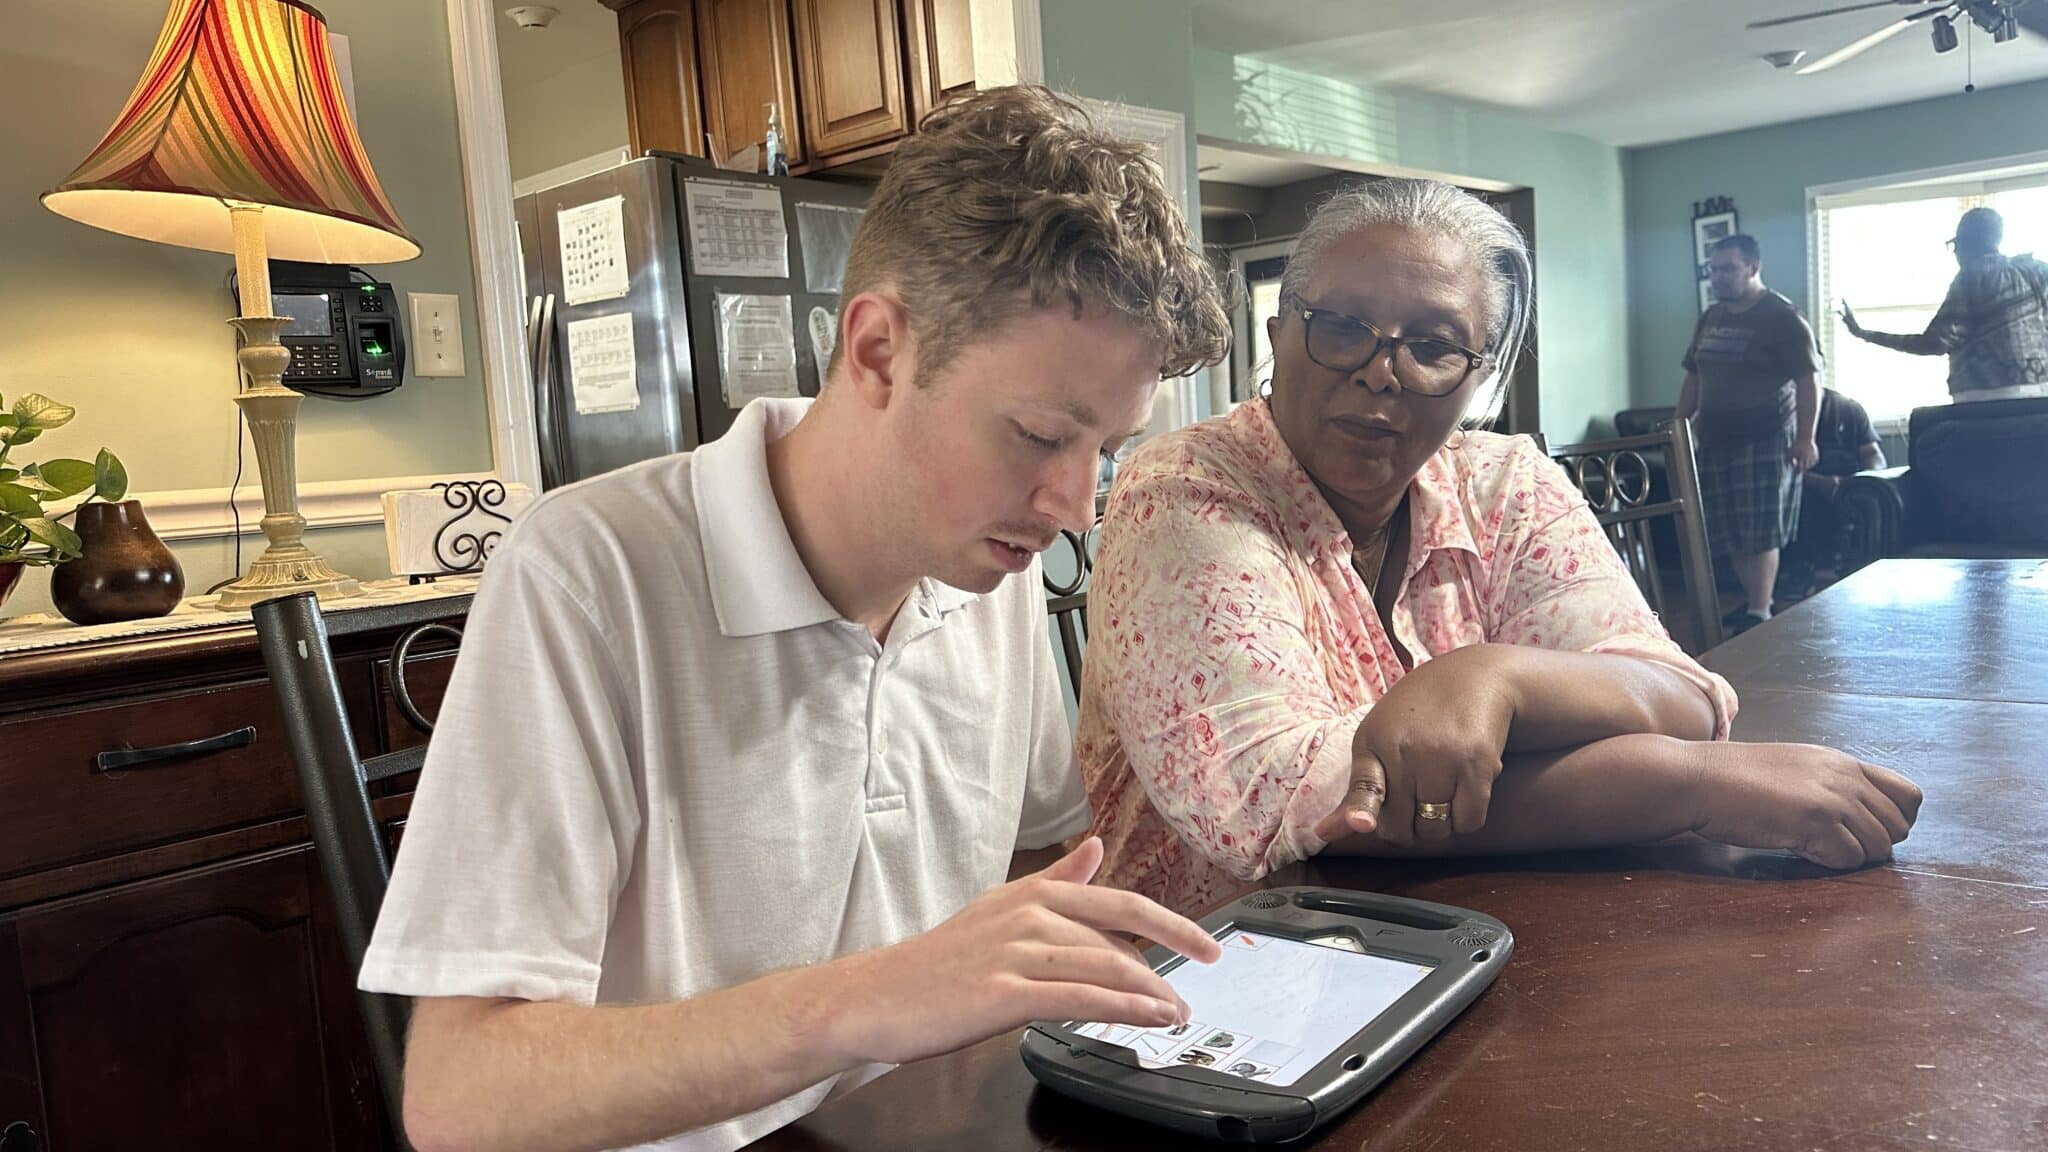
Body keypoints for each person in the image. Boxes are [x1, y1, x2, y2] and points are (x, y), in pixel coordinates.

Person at [362, 87, 1233, 1152]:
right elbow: (460, 1099)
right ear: (876, 351)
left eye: (1108, 446)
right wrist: (864, 1000)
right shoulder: (587, 575)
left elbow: (1030, 873)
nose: (1073, 507)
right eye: (1040, 433)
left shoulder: (980, 571)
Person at [1074, 179, 1920, 916]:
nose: (1380, 372)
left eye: (1435, 346)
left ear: (1478, 377)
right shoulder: (1185, 490)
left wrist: (1494, 678)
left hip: (1485, 936)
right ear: (1276, 336)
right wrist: (1687, 784)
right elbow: (1279, 794)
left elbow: (1681, 693)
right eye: (1339, 326)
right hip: (1200, 997)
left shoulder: (1504, 482)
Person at [1675, 233, 1823, 635]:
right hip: (1715, 438)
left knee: (1760, 530)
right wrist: (1678, 424)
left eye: (1728, 269)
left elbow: (1810, 380)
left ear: (1753, 268)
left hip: (1766, 437)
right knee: (1730, 529)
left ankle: (1759, 610)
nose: (1718, 278)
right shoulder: (1711, 317)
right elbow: (1695, 376)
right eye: (1714, 270)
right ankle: (1758, 604)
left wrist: (1805, 437)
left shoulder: (1782, 317)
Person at [1841, 207, 2048, 404]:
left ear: (1966, 244)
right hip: (2040, 394)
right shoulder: (2037, 272)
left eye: (1955, 245)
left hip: (1984, 399)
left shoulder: (1973, 276)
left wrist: (1864, 334)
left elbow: (1935, 343)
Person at [1779, 387, 1886, 598]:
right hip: (1802, 484)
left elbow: (1874, 455)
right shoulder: (1782, 411)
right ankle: (1800, 574)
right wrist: (1820, 483)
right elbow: (1779, 467)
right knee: (1801, 500)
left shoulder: (1848, 408)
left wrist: (1858, 482)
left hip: (1849, 486)